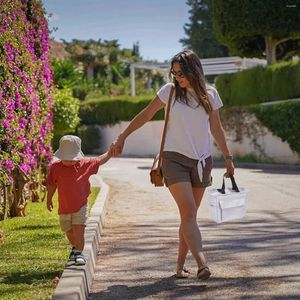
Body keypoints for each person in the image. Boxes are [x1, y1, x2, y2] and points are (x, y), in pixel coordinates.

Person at [110, 49, 234, 280]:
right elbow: (146, 114)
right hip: (173, 159)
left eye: (181, 73)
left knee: (189, 217)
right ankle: (202, 264)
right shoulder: (169, 92)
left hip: (202, 160)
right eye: (174, 73)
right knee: (188, 211)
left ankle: (179, 267)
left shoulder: (210, 94)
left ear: (193, 70)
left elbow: (216, 128)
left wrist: (228, 157)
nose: (177, 77)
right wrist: (122, 136)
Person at [46, 135, 112, 265]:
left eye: (73, 158)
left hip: (81, 205)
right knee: (68, 231)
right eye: (67, 158)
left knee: (78, 228)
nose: (70, 161)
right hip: (64, 207)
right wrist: (49, 199)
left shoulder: (83, 164)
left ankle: (79, 253)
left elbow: (99, 160)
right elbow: (51, 184)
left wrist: (110, 152)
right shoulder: (55, 168)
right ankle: (76, 248)